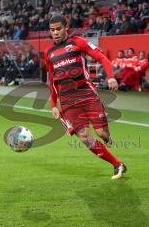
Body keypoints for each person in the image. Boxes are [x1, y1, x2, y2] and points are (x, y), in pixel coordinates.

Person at [44, 15, 127, 179]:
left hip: (86, 92)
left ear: (66, 27)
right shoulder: (49, 53)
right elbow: (52, 81)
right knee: (84, 136)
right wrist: (54, 104)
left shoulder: (78, 42)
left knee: (101, 133)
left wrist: (111, 77)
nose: (55, 33)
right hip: (67, 100)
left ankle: (107, 137)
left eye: (58, 29)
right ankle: (117, 164)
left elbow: (102, 58)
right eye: (52, 30)